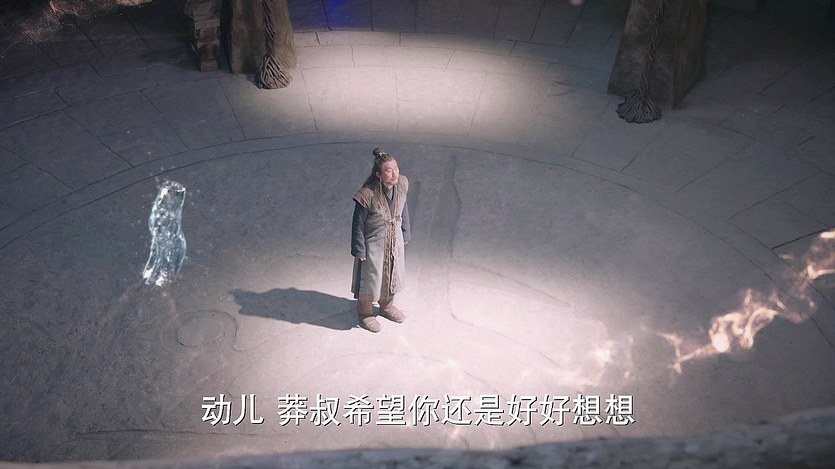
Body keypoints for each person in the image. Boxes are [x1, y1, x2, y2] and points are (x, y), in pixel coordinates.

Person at [351, 147, 411, 333]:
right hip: (374, 245)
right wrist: (359, 249)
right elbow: (358, 224)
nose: (394, 173)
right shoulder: (367, 194)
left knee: (393, 273)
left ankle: (386, 306)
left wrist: (405, 231)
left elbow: (403, 208)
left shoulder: (401, 185)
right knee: (371, 278)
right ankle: (365, 312)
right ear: (378, 174)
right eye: (389, 170)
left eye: (396, 168)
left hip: (395, 241)